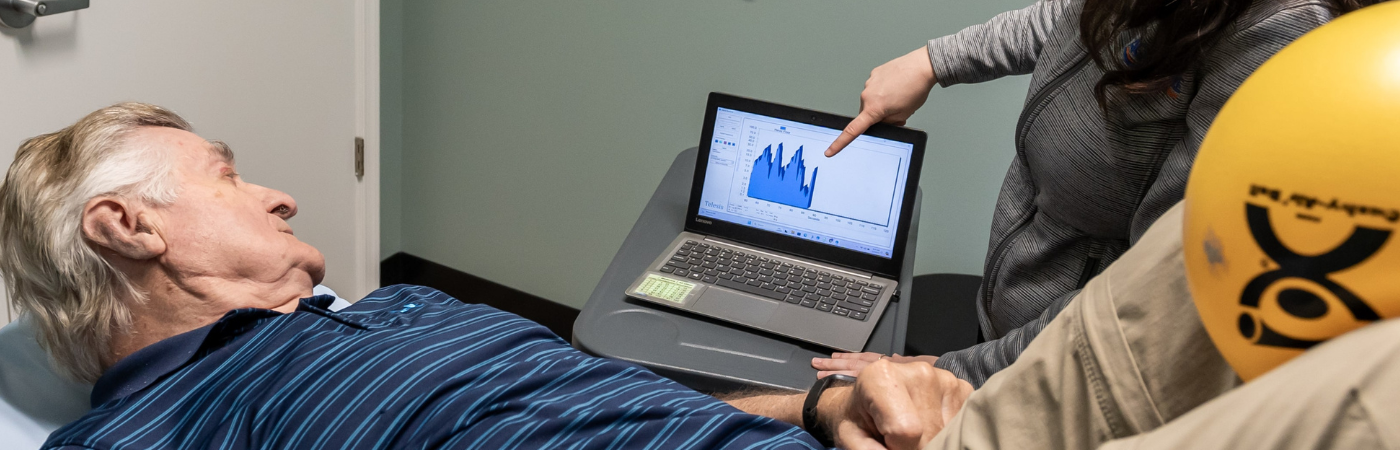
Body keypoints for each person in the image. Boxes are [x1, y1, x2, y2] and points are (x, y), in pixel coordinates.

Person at [3, 103, 968, 450]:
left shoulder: (401, 306)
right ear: (127, 228)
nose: (281, 196)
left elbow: (610, 399)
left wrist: (817, 410)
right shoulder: (139, 436)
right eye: (226, 175)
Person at [814, 0, 1380, 386]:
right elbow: (1073, 18)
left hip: (1074, 363)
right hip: (1012, 323)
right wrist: (935, 60)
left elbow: (1140, 292)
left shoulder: (1276, 32)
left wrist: (954, 374)